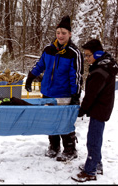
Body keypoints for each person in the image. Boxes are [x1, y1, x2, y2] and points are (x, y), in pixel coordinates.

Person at [25, 15, 84, 162]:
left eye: (64, 33)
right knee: (50, 120)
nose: (60, 36)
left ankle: (70, 149)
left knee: (64, 122)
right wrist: (31, 76)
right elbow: (40, 64)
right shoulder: (49, 49)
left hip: (64, 94)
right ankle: (54, 146)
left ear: (70, 34)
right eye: (58, 32)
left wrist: (75, 95)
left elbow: (76, 76)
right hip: (48, 92)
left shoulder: (74, 53)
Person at [71, 39, 118, 182]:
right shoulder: (104, 64)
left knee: (93, 141)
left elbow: (91, 95)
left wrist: (82, 110)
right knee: (95, 138)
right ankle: (97, 164)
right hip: (101, 107)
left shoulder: (100, 71)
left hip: (100, 109)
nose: (86, 59)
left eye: (88, 55)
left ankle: (90, 171)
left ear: (97, 54)